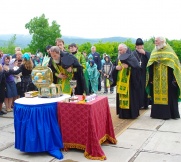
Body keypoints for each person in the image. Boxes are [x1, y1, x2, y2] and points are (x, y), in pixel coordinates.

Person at [147, 36, 181, 120]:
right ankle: (157, 114)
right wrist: (150, 78)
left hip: (168, 79)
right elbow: (149, 64)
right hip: (156, 79)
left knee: (169, 96)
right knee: (157, 96)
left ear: (162, 41)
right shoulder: (154, 51)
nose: (155, 42)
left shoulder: (170, 51)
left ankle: (169, 114)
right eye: (155, 41)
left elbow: (175, 65)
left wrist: (174, 79)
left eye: (157, 41)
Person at [115, 43, 140, 119]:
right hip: (120, 82)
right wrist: (116, 68)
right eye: (119, 50)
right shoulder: (118, 57)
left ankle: (131, 114)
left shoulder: (132, 56)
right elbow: (114, 66)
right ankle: (122, 113)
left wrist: (129, 67)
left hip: (130, 83)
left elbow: (137, 67)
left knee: (130, 98)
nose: (119, 51)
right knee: (121, 98)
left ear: (125, 49)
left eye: (121, 50)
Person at [132, 38, 150, 109]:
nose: (139, 47)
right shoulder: (133, 54)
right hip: (136, 74)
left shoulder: (146, 53)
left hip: (145, 74)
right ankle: (138, 104)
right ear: (135, 46)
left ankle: (146, 104)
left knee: (144, 89)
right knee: (138, 89)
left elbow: (151, 60)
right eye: (138, 46)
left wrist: (145, 53)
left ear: (143, 46)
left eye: (141, 45)